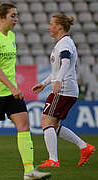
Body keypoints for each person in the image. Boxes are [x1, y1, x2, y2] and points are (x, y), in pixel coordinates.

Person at [0, 3, 51, 180]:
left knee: (24, 126)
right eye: (12, 16)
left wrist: (12, 88)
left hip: (10, 92)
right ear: (2, 18)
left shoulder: (11, 36)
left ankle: (29, 171)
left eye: (16, 15)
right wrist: (13, 87)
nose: (15, 19)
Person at [32, 13, 95, 168]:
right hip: (67, 89)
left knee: (46, 122)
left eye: (51, 24)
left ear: (59, 26)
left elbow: (66, 63)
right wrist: (45, 83)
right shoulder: (62, 42)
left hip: (64, 89)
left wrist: (58, 81)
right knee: (53, 125)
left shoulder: (65, 43)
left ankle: (53, 160)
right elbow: (57, 69)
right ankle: (84, 147)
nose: (49, 27)